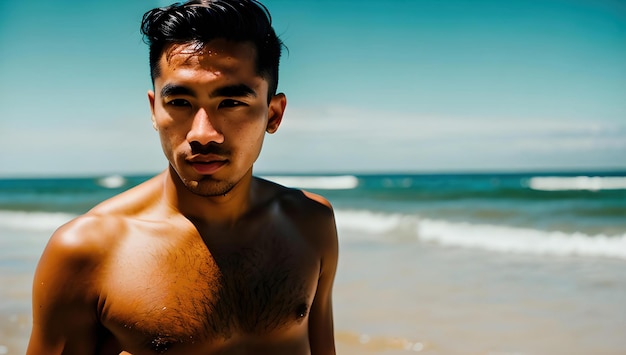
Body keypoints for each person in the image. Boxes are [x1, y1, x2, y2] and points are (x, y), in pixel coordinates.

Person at [26, 0, 338, 354]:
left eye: (231, 102)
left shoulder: (311, 222)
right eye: (179, 103)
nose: (203, 134)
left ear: (273, 114)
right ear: (154, 110)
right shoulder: (88, 249)